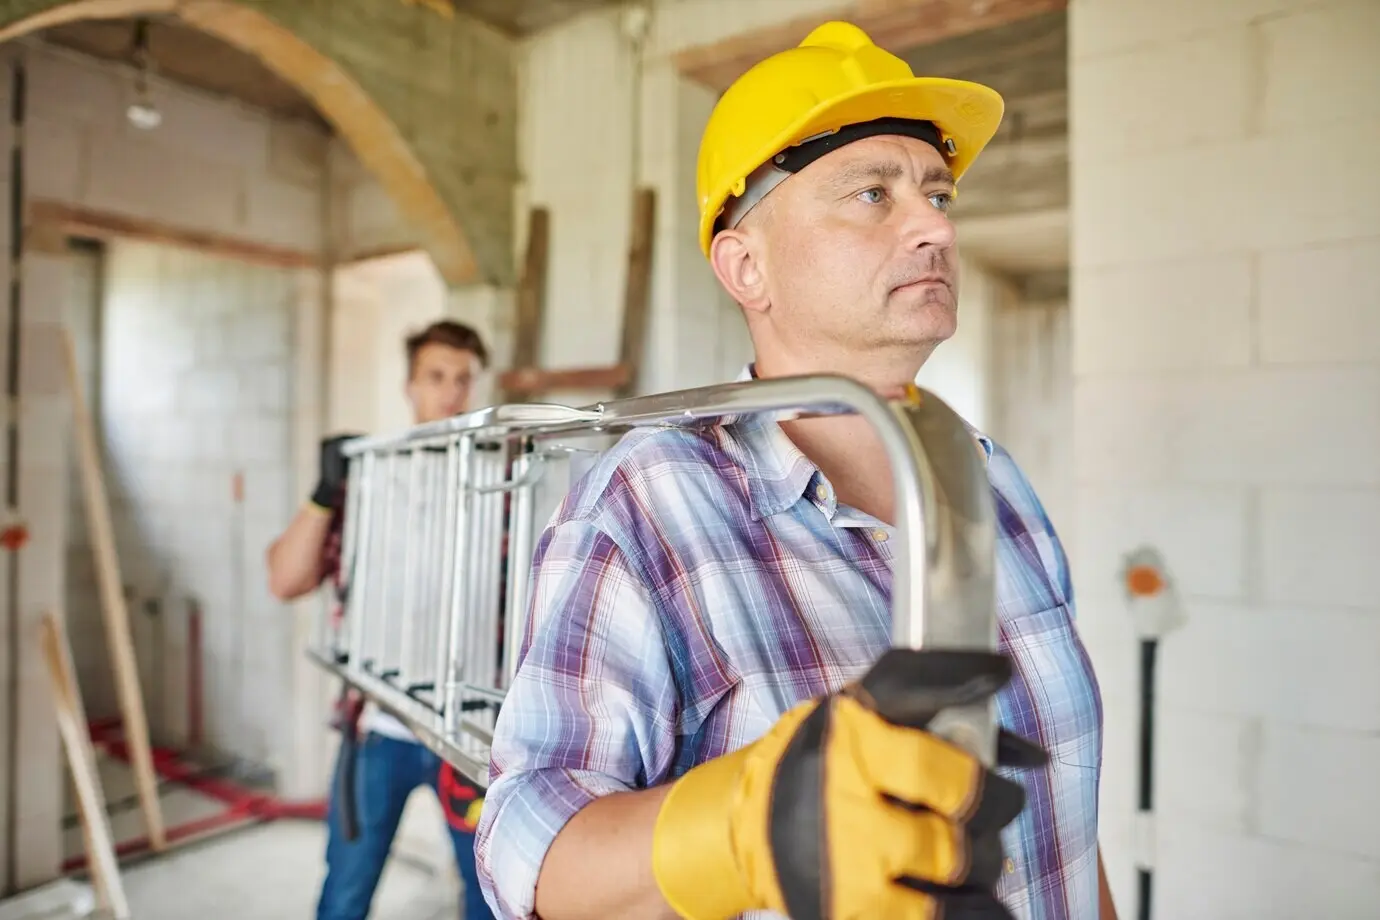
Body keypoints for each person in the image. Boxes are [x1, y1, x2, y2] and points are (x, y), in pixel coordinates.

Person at [475, 20, 1118, 920]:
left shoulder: (992, 484)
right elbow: (523, 853)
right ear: (747, 266)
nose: (934, 222)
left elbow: (1063, 832)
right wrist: (744, 825)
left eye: (938, 194)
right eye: (871, 193)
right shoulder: (652, 500)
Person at [267, 319, 497, 920]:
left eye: (462, 379)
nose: (450, 392)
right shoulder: (369, 477)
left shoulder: (498, 476)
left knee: (493, 896)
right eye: (436, 377)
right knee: (345, 895)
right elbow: (285, 579)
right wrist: (324, 490)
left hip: (471, 731)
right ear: (409, 384)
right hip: (378, 725)